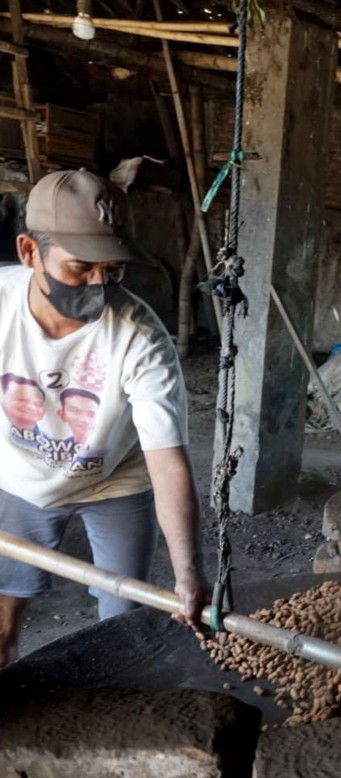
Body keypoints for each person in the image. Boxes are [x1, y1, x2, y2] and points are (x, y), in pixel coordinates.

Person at [0, 169, 207, 668]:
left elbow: (167, 461)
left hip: (114, 481)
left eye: (111, 270)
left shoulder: (140, 337)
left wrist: (189, 570)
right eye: (79, 268)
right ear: (30, 252)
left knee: (125, 624)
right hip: (19, 479)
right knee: (2, 621)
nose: (97, 285)